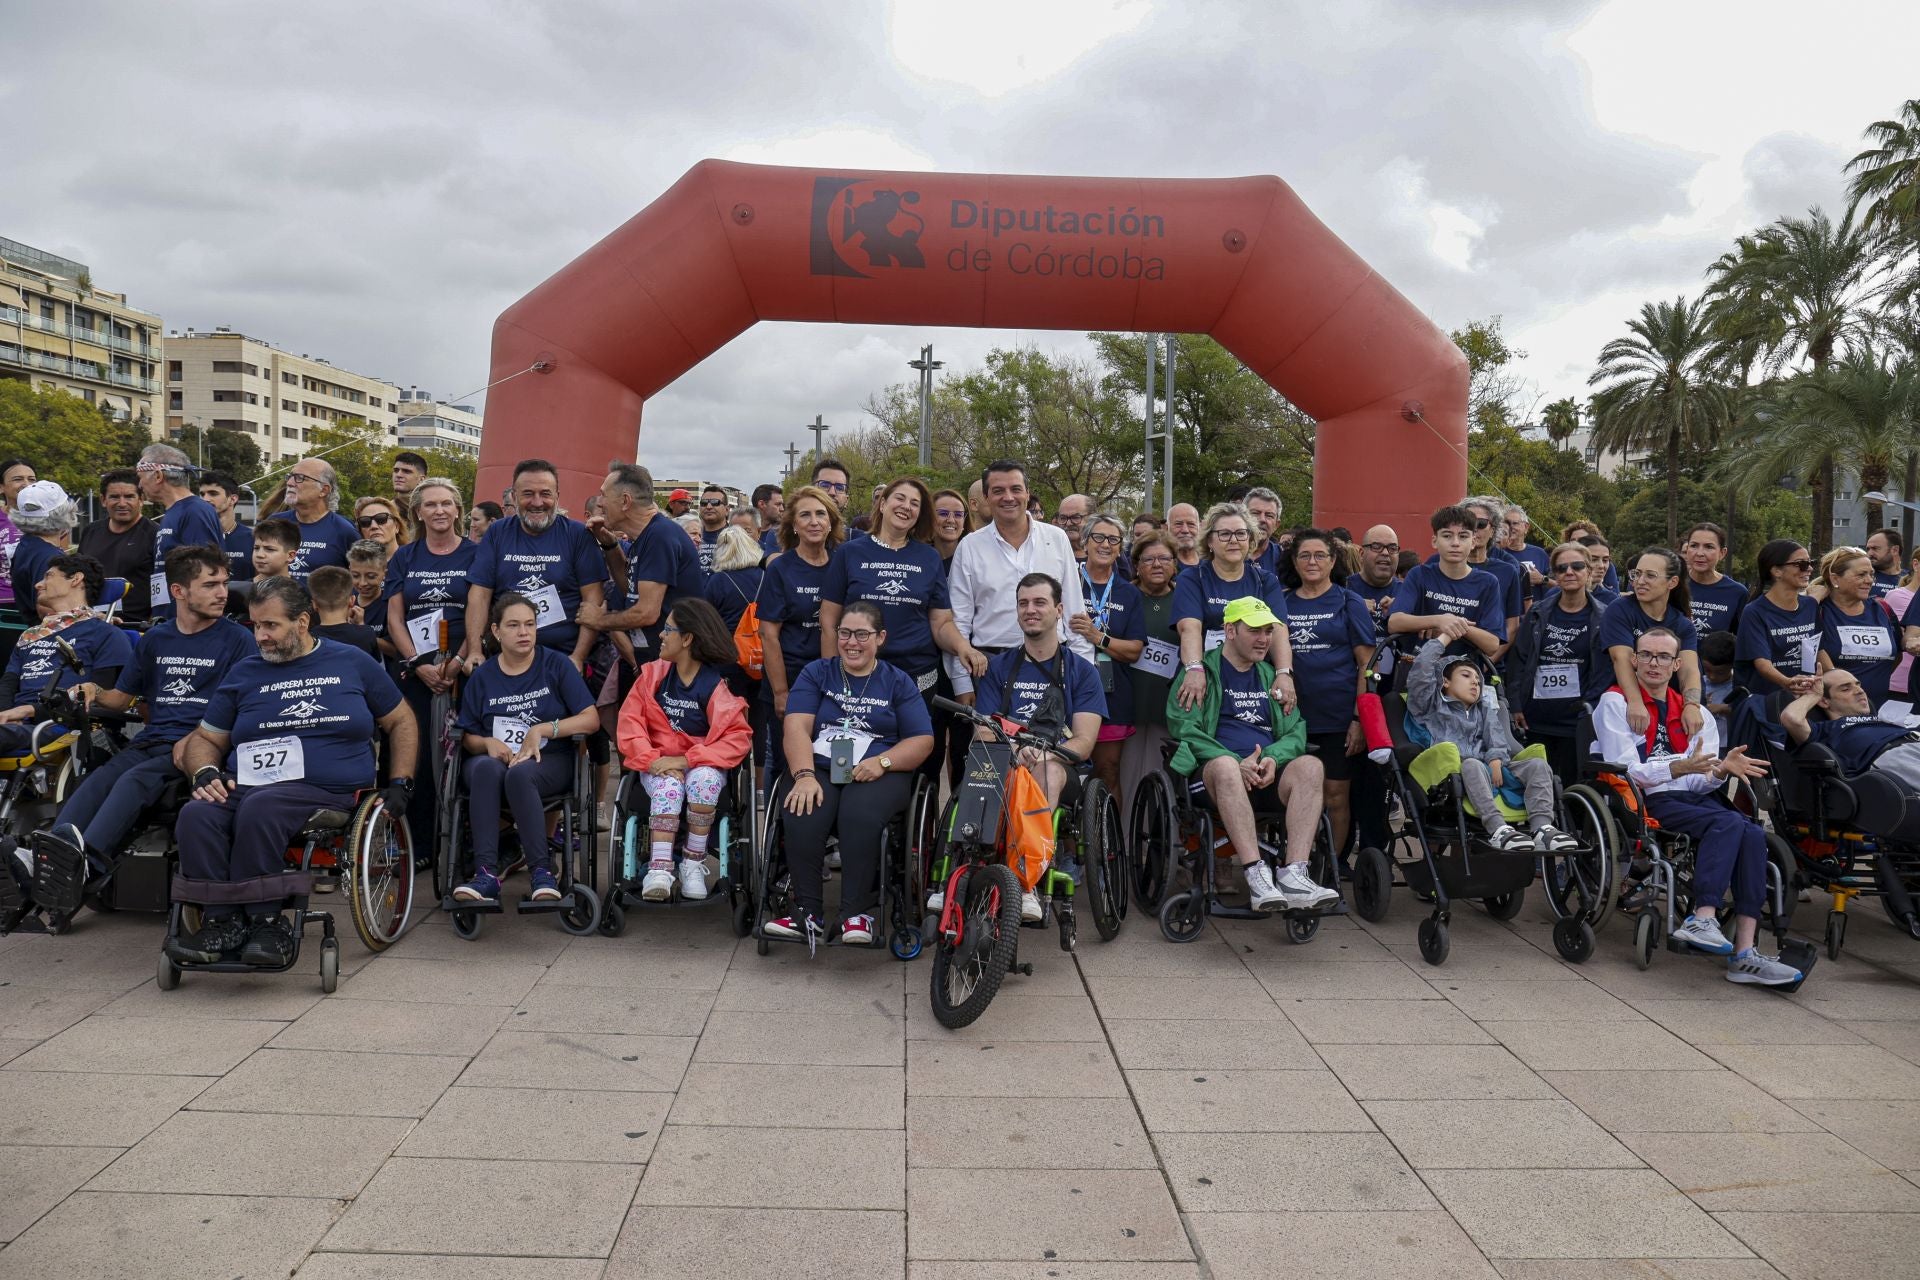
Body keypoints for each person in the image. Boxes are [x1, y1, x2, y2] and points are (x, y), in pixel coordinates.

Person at [167, 576, 416, 966]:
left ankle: (267, 922)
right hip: (247, 785)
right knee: (197, 813)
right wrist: (204, 773)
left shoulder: (351, 662)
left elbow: (402, 721)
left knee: (264, 806)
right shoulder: (245, 672)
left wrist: (400, 781)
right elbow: (205, 739)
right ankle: (221, 921)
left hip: (326, 788)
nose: (260, 636)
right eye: (255, 626)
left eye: (271, 625)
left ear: (302, 622)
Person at [32, 547, 254, 906]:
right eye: (210, 584)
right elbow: (122, 698)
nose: (222, 593)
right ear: (179, 591)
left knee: (135, 780)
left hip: (197, 745)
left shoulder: (238, 639)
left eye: (224, 583)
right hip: (153, 738)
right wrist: (93, 691)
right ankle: (50, 859)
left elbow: (241, 709)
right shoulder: (156, 638)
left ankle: (87, 866)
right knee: (96, 780)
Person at [1592, 626, 1800, 986]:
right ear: (1634, 660)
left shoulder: (1697, 714)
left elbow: (1697, 778)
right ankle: (1702, 917)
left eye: (1663, 657)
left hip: (1690, 796)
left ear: (1676, 665)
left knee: (1752, 831)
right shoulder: (1615, 702)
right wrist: (1677, 766)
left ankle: (1745, 952)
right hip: (1645, 798)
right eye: (1646, 655)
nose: (1653, 663)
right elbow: (1627, 770)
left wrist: (1720, 770)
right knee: (1731, 825)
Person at [770, 600, 935, 943]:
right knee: (802, 808)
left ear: (880, 637)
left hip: (879, 770)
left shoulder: (897, 681)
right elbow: (797, 727)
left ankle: (855, 914)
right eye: (844, 633)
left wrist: (883, 762)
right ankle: (807, 914)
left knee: (859, 813)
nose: (851, 642)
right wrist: (803, 775)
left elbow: (922, 739)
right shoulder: (817, 672)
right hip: (820, 764)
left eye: (862, 634)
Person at [1165, 596, 1340, 911]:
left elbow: (1295, 730)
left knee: (1311, 766)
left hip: (1266, 775)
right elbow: (1184, 729)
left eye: (1269, 631)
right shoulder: (1201, 673)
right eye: (1255, 631)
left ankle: (1294, 873)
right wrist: (1236, 762)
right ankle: (1256, 874)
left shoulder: (1273, 677)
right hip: (1212, 777)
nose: (1264, 639)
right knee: (1225, 767)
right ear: (1230, 631)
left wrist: (1271, 757)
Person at [449, 591, 601, 903]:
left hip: (549, 759)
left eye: (530, 625)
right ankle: (485, 874)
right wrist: (487, 742)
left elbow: (591, 720)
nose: (523, 633)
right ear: (496, 631)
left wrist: (544, 728)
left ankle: (542, 872)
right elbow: (467, 736)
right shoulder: (483, 676)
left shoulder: (555, 665)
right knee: (487, 769)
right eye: (514, 625)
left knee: (520, 775)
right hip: (495, 760)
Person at [972, 573, 1107, 921]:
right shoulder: (997, 668)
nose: (1030, 610)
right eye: (1023, 603)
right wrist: (1017, 752)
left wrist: (1046, 753)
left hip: (1060, 768)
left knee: (1044, 772)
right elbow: (983, 731)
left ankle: (1024, 883)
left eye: (1039, 602)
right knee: (980, 767)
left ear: (1059, 609)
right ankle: (957, 872)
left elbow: (1084, 742)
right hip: (1007, 758)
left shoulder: (1083, 671)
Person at [616, 598, 752, 901]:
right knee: (670, 786)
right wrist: (654, 761)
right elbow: (630, 727)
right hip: (658, 765)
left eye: (668, 630)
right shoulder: (652, 677)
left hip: (701, 765)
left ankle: (693, 864)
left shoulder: (715, 687)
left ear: (687, 638)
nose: (661, 636)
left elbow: (736, 738)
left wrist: (687, 758)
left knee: (702, 781)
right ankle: (660, 869)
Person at [1406, 638, 1577, 853]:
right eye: (1466, 676)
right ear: (1445, 682)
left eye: (1478, 680)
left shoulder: (1485, 710)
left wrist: (1496, 758)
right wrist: (1443, 639)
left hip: (1493, 767)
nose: (1475, 683)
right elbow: (1421, 672)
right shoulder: (1430, 706)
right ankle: (1498, 828)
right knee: (1471, 764)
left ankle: (1542, 827)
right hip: (1454, 774)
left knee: (1537, 765)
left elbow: (1497, 736)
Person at [944, 460, 1094, 702]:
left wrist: (1083, 671)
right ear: (986, 497)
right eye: (998, 491)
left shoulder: (1056, 539)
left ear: (1027, 493)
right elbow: (959, 620)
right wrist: (961, 682)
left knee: (1055, 740)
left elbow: (1075, 613)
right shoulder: (970, 546)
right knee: (993, 740)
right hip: (990, 670)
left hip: (1054, 666)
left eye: (1015, 489)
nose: (1008, 497)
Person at [820, 478, 964, 729]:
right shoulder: (850, 552)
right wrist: (833, 674)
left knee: (919, 755)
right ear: (883, 504)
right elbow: (829, 620)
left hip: (917, 676)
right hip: (858, 673)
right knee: (855, 753)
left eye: (915, 503)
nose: (906, 506)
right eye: (900, 498)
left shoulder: (929, 557)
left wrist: (964, 648)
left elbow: (940, 622)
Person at [1281, 529, 1377, 854]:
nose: (1312, 561)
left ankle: (1331, 868)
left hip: (1338, 717)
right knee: (1293, 791)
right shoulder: (1281, 602)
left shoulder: (1349, 601)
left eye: (1320, 555)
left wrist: (1358, 719)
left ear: (1332, 560)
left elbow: (1366, 663)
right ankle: (1297, 861)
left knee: (1336, 795)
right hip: (1290, 718)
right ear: (1294, 562)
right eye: (1304, 555)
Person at [465, 458, 607, 672]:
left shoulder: (577, 535)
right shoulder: (497, 533)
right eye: (528, 494)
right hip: (506, 657)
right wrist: (475, 651)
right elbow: (480, 595)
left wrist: (578, 656)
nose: (537, 502)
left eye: (545, 494)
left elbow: (593, 599)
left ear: (557, 497)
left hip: (563, 658)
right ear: (514, 496)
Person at [582, 463, 703, 684]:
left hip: (672, 671)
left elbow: (647, 612)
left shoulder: (660, 536)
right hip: (658, 663)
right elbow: (630, 591)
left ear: (626, 501)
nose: (599, 502)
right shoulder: (647, 537)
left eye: (603, 495)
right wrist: (611, 546)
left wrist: (599, 620)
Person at [0, 554, 132, 754]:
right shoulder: (29, 636)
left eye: (48, 576)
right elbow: (7, 686)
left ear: (76, 579)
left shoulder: (106, 634)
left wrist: (31, 711)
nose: (38, 584)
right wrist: (6, 715)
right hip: (14, 724)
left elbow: (100, 699)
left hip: (61, 725)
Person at [1172, 502, 1293, 716]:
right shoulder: (1192, 578)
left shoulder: (1265, 581)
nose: (1234, 540)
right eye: (1225, 534)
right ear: (1209, 540)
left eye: (1241, 533)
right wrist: (1194, 668)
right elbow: (1189, 628)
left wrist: (1284, 673)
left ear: (1251, 539)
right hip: (1206, 673)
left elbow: (1278, 630)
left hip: (1252, 680)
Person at [760, 486, 844, 778]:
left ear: (831, 521)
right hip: (792, 676)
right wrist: (780, 693)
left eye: (821, 514)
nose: (814, 521)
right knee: (789, 763)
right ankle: (780, 821)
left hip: (837, 678)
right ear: (793, 525)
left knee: (835, 760)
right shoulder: (780, 569)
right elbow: (768, 635)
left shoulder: (842, 564)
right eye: (805, 515)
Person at [1508, 542, 1607, 780]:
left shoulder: (1604, 617)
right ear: (1554, 574)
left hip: (1577, 721)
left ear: (1589, 571)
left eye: (1577, 566)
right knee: (1538, 785)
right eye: (1562, 568)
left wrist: (1591, 707)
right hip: (1536, 719)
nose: (1569, 572)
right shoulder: (1537, 613)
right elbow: (1519, 659)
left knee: (1574, 787)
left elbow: (1606, 670)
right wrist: (1516, 704)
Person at [1069, 514, 1147, 804]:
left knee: (1108, 770)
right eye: (1098, 537)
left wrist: (1097, 636)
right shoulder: (1067, 579)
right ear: (1084, 542)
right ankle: (1069, 845)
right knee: (1068, 770)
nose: (1105, 544)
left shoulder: (1128, 592)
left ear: (1120, 548)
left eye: (1113, 539)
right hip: (1069, 687)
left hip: (1112, 691)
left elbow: (1134, 650)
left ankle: (1110, 846)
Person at [1601, 547, 1705, 737]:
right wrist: (1635, 702)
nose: (1639, 582)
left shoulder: (1682, 624)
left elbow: (1689, 670)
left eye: (1650, 576)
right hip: (1620, 703)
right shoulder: (1619, 610)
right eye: (1637, 574)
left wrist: (1692, 705)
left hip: (1664, 708)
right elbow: (1621, 659)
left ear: (1672, 582)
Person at [1388, 505, 1505, 659]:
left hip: (1463, 675)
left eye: (1463, 536)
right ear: (1434, 541)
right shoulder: (1419, 574)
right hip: (1417, 669)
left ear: (1473, 541)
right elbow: (1394, 622)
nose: (1455, 543)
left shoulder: (1488, 583)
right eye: (1447, 536)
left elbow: (1492, 644)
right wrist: (1438, 620)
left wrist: (1453, 624)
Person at [1119, 532, 1182, 806]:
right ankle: (1126, 846)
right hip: (1128, 702)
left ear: (1175, 564)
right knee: (1126, 778)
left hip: (1168, 706)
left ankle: (1159, 844)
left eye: (1164, 558)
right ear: (1136, 564)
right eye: (1149, 559)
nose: (1157, 565)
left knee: (1163, 783)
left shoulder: (1185, 599)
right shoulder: (1124, 596)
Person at [136, 443, 224, 625]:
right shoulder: (174, 512)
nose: (139, 485)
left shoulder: (195, 511)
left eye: (141, 477)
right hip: (168, 619)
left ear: (158, 476)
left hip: (189, 624)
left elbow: (204, 571)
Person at [1815, 545, 1902, 709]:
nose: (1869, 580)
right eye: (1861, 575)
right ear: (1835, 579)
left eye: (1871, 574)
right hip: (1833, 714)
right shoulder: (1818, 612)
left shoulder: (1883, 608)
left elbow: (1897, 656)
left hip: (1879, 710)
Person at [1737, 539, 1820, 696]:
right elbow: (1761, 662)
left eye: (1811, 563)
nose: (1809, 569)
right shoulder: (1754, 611)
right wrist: (1786, 682)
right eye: (1801, 564)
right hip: (1768, 700)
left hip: (1806, 696)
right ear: (1776, 571)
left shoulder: (1810, 605)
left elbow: (1819, 648)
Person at [77, 469, 157, 625]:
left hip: (134, 627)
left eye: (129, 497)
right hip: (93, 622)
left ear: (141, 499)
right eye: (114, 497)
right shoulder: (91, 531)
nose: (122, 503)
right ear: (103, 500)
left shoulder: (156, 534)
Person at [280, 458, 361, 581]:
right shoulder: (275, 524)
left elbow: (359, 580)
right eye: (290, 476)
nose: (290, 483)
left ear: (323, 490)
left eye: (300, 477)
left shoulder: (345, 531)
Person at [8, 480, 78, 617]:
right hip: (53, 634)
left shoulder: (27, 545)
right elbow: (48, 609)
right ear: (64, 513)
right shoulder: (51, 557)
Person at [1682, 523, 1745, 636]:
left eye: (1709, 547)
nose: (1700, 553)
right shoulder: (1673, 585)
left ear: (1722, 553)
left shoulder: (1737, 592)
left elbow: (1741, 639)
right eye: (1694, 546)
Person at [307, 566, 380, 659]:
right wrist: (361, 626)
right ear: (352, 601)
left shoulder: (307, 639)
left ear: (314, 604)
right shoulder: (366, 634)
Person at [1345, 525, 1401, 645]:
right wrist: (1353, 608)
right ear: (1361, 553)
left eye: (1392, 548)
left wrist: (1405, 611)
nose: (1386, 553)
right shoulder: (1343, 589)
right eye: (1377, 547)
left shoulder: (1409, 593)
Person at [198, 471, 254, 584]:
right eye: (202, 494)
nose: (205, 499)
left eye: (213, 493)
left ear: (232, 499)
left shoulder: (253, 538)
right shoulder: (193, 536)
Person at [345, 540, 393, 654]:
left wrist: (362, 630)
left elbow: (397, 652)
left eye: (371, 576)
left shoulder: (391, 604)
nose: (362, 583)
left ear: (384, 574)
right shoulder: (343, 601)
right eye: (355, 575)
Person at [0, 457, 32, 613]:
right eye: (18, 479)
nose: (26, 484)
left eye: (32, 479)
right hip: (4, 607)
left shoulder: (52, 521)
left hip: (40, 605)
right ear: (1, 487)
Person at [1500, 504, 1550, 602]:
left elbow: (1558, 584)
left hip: (1533, 613)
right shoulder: (1496, 553)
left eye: (1514, 523)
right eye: (1506, 523)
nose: (1510, 527)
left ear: (1526, 527)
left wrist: (1542, 579)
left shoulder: (1540, 554)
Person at [1700, 631, 1739, 741]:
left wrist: (1723, 708)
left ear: (1732, 665)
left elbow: (1745, 709)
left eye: (1720, 672)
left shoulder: (1737, 687)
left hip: (1727, 743)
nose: (1712, 676)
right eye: (1707, 670)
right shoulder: (1698, 684)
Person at [1244, 487, 1285, 578]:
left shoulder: (1286, 561)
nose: (1262, 519)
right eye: (1255, 513)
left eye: (1269, 515)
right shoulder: (1223, 556)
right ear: (1242, 518)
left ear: (1276, 525)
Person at [928, 487, 973, 570]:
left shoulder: (975, 559)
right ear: (930, 517)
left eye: (958, 515)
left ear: (964, 521)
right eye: (943, 513)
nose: (951, 520)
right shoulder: (917, 559)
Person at [693, 484, 730, 573]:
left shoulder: (737, 537)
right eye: (704, 503)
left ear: (727, 510)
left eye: (715, 502)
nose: (708, 507)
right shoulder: (689, 535)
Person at [1866, 527, 1904, 600]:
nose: (1869, 553)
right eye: (1868, 549)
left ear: (1895, 550)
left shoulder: (1911, 579)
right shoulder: (1862, 576)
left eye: (1875, 548)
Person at [751, 483, 785, 556]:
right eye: (778, 504)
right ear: (762, 504)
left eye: (782, 504)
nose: (782, 509)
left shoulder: (785, 534)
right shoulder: (743, 535)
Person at [1166, 502, 1202, 569]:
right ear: (1167, 528)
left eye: (1191, 524)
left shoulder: (1213, 564)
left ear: (1199, 527)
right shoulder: (1162, 565)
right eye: (1178, 524)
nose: (1185, 530)